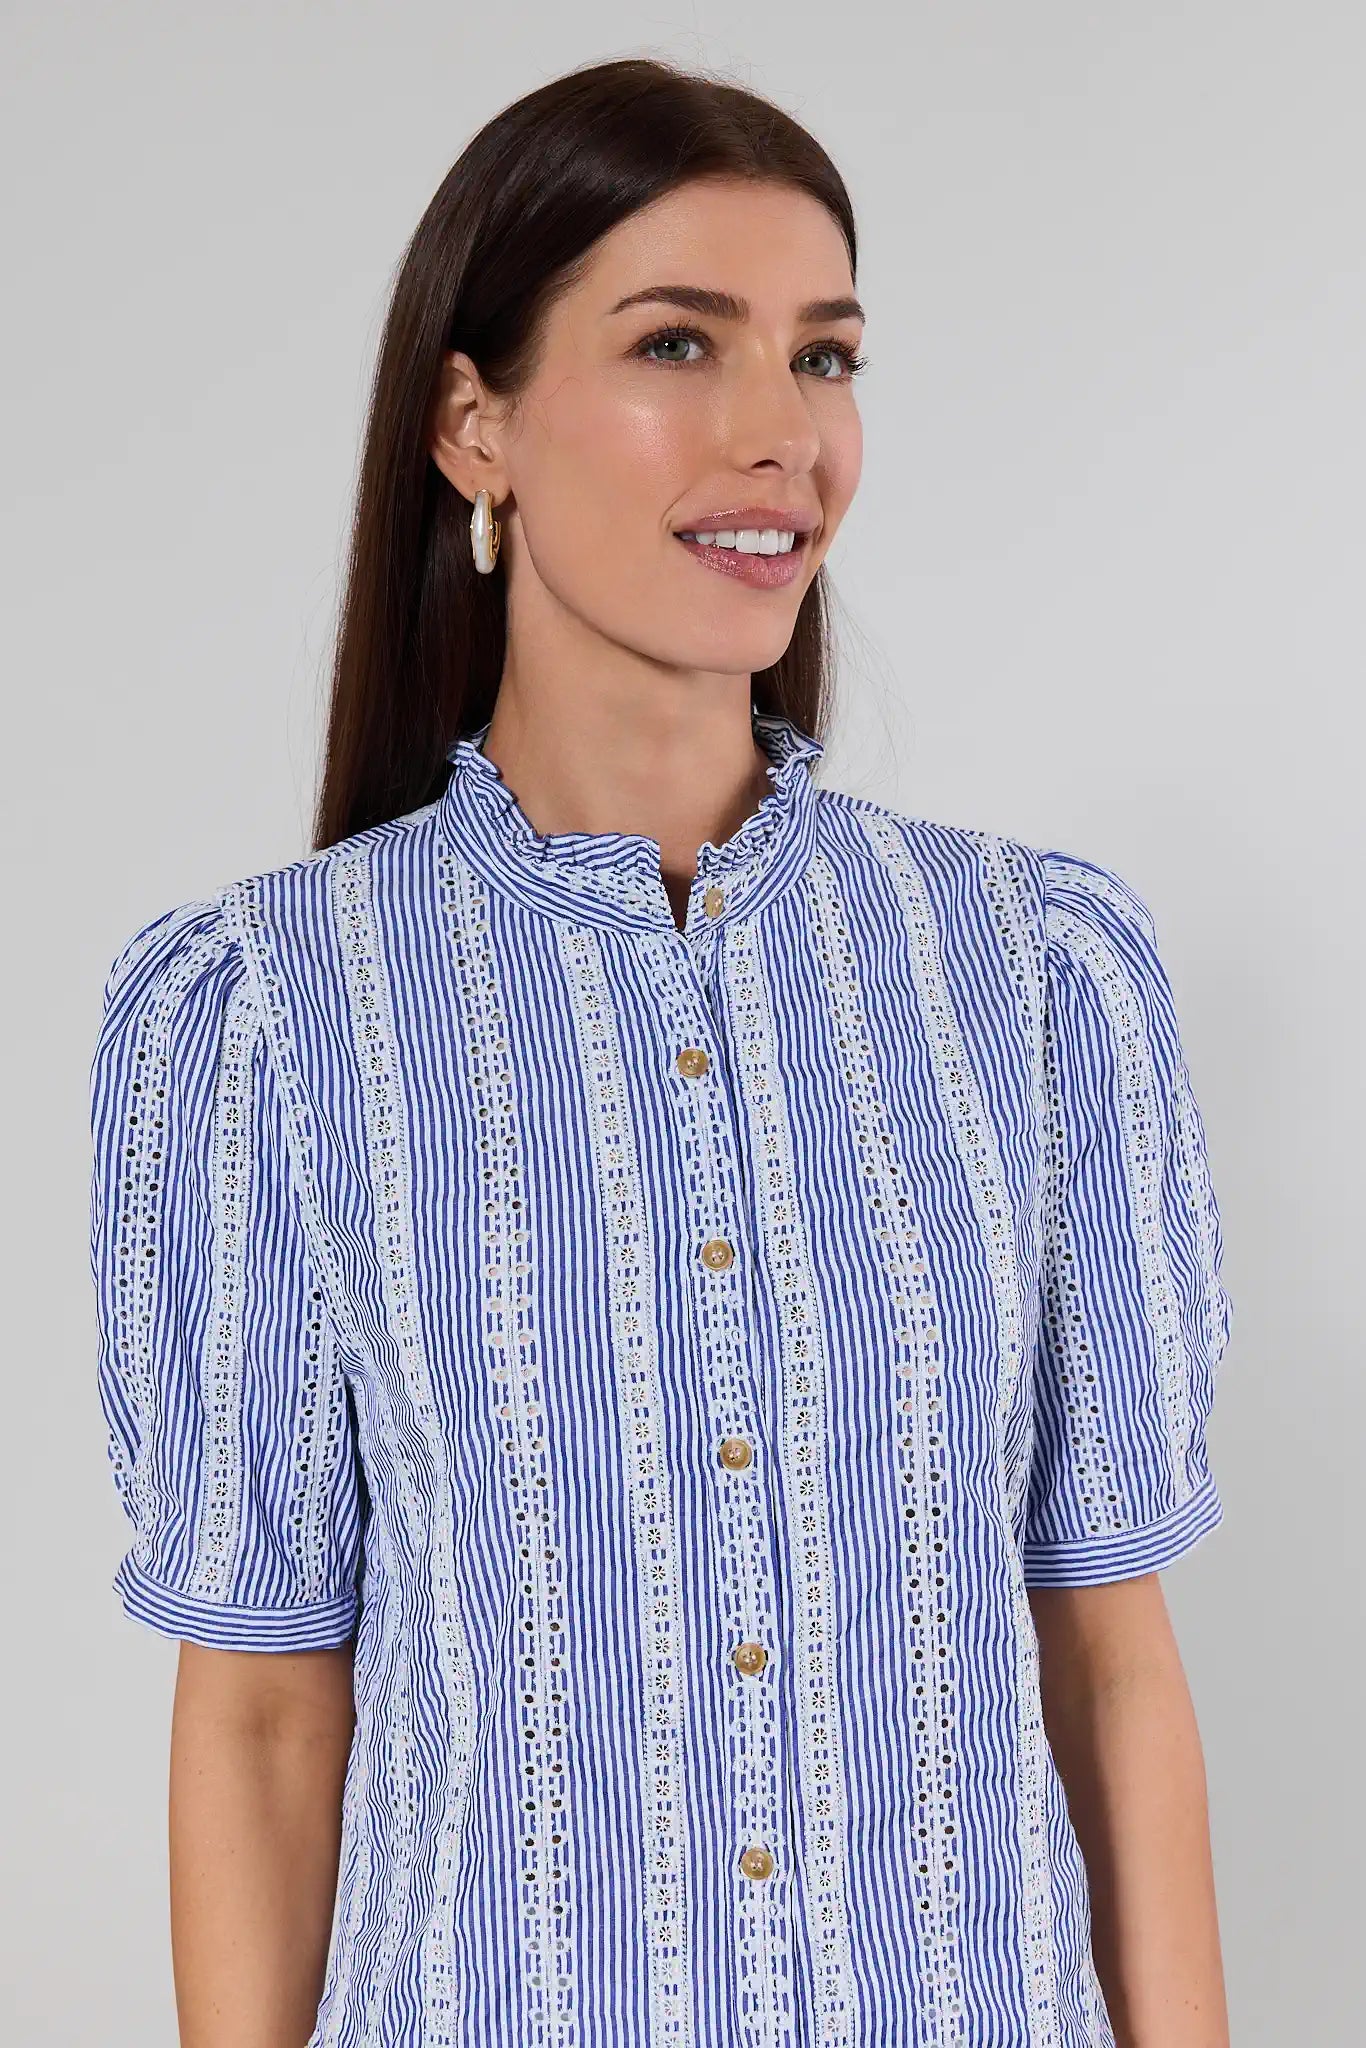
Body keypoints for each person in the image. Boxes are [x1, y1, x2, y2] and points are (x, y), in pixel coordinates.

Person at [87, 54, 1235, 2048]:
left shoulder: (1030, 973)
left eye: (823, 356)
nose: (775, 433)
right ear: (476, 428)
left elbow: (1105, 1650)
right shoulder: (270, 1009)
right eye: (678, 344)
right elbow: (265, 1705)